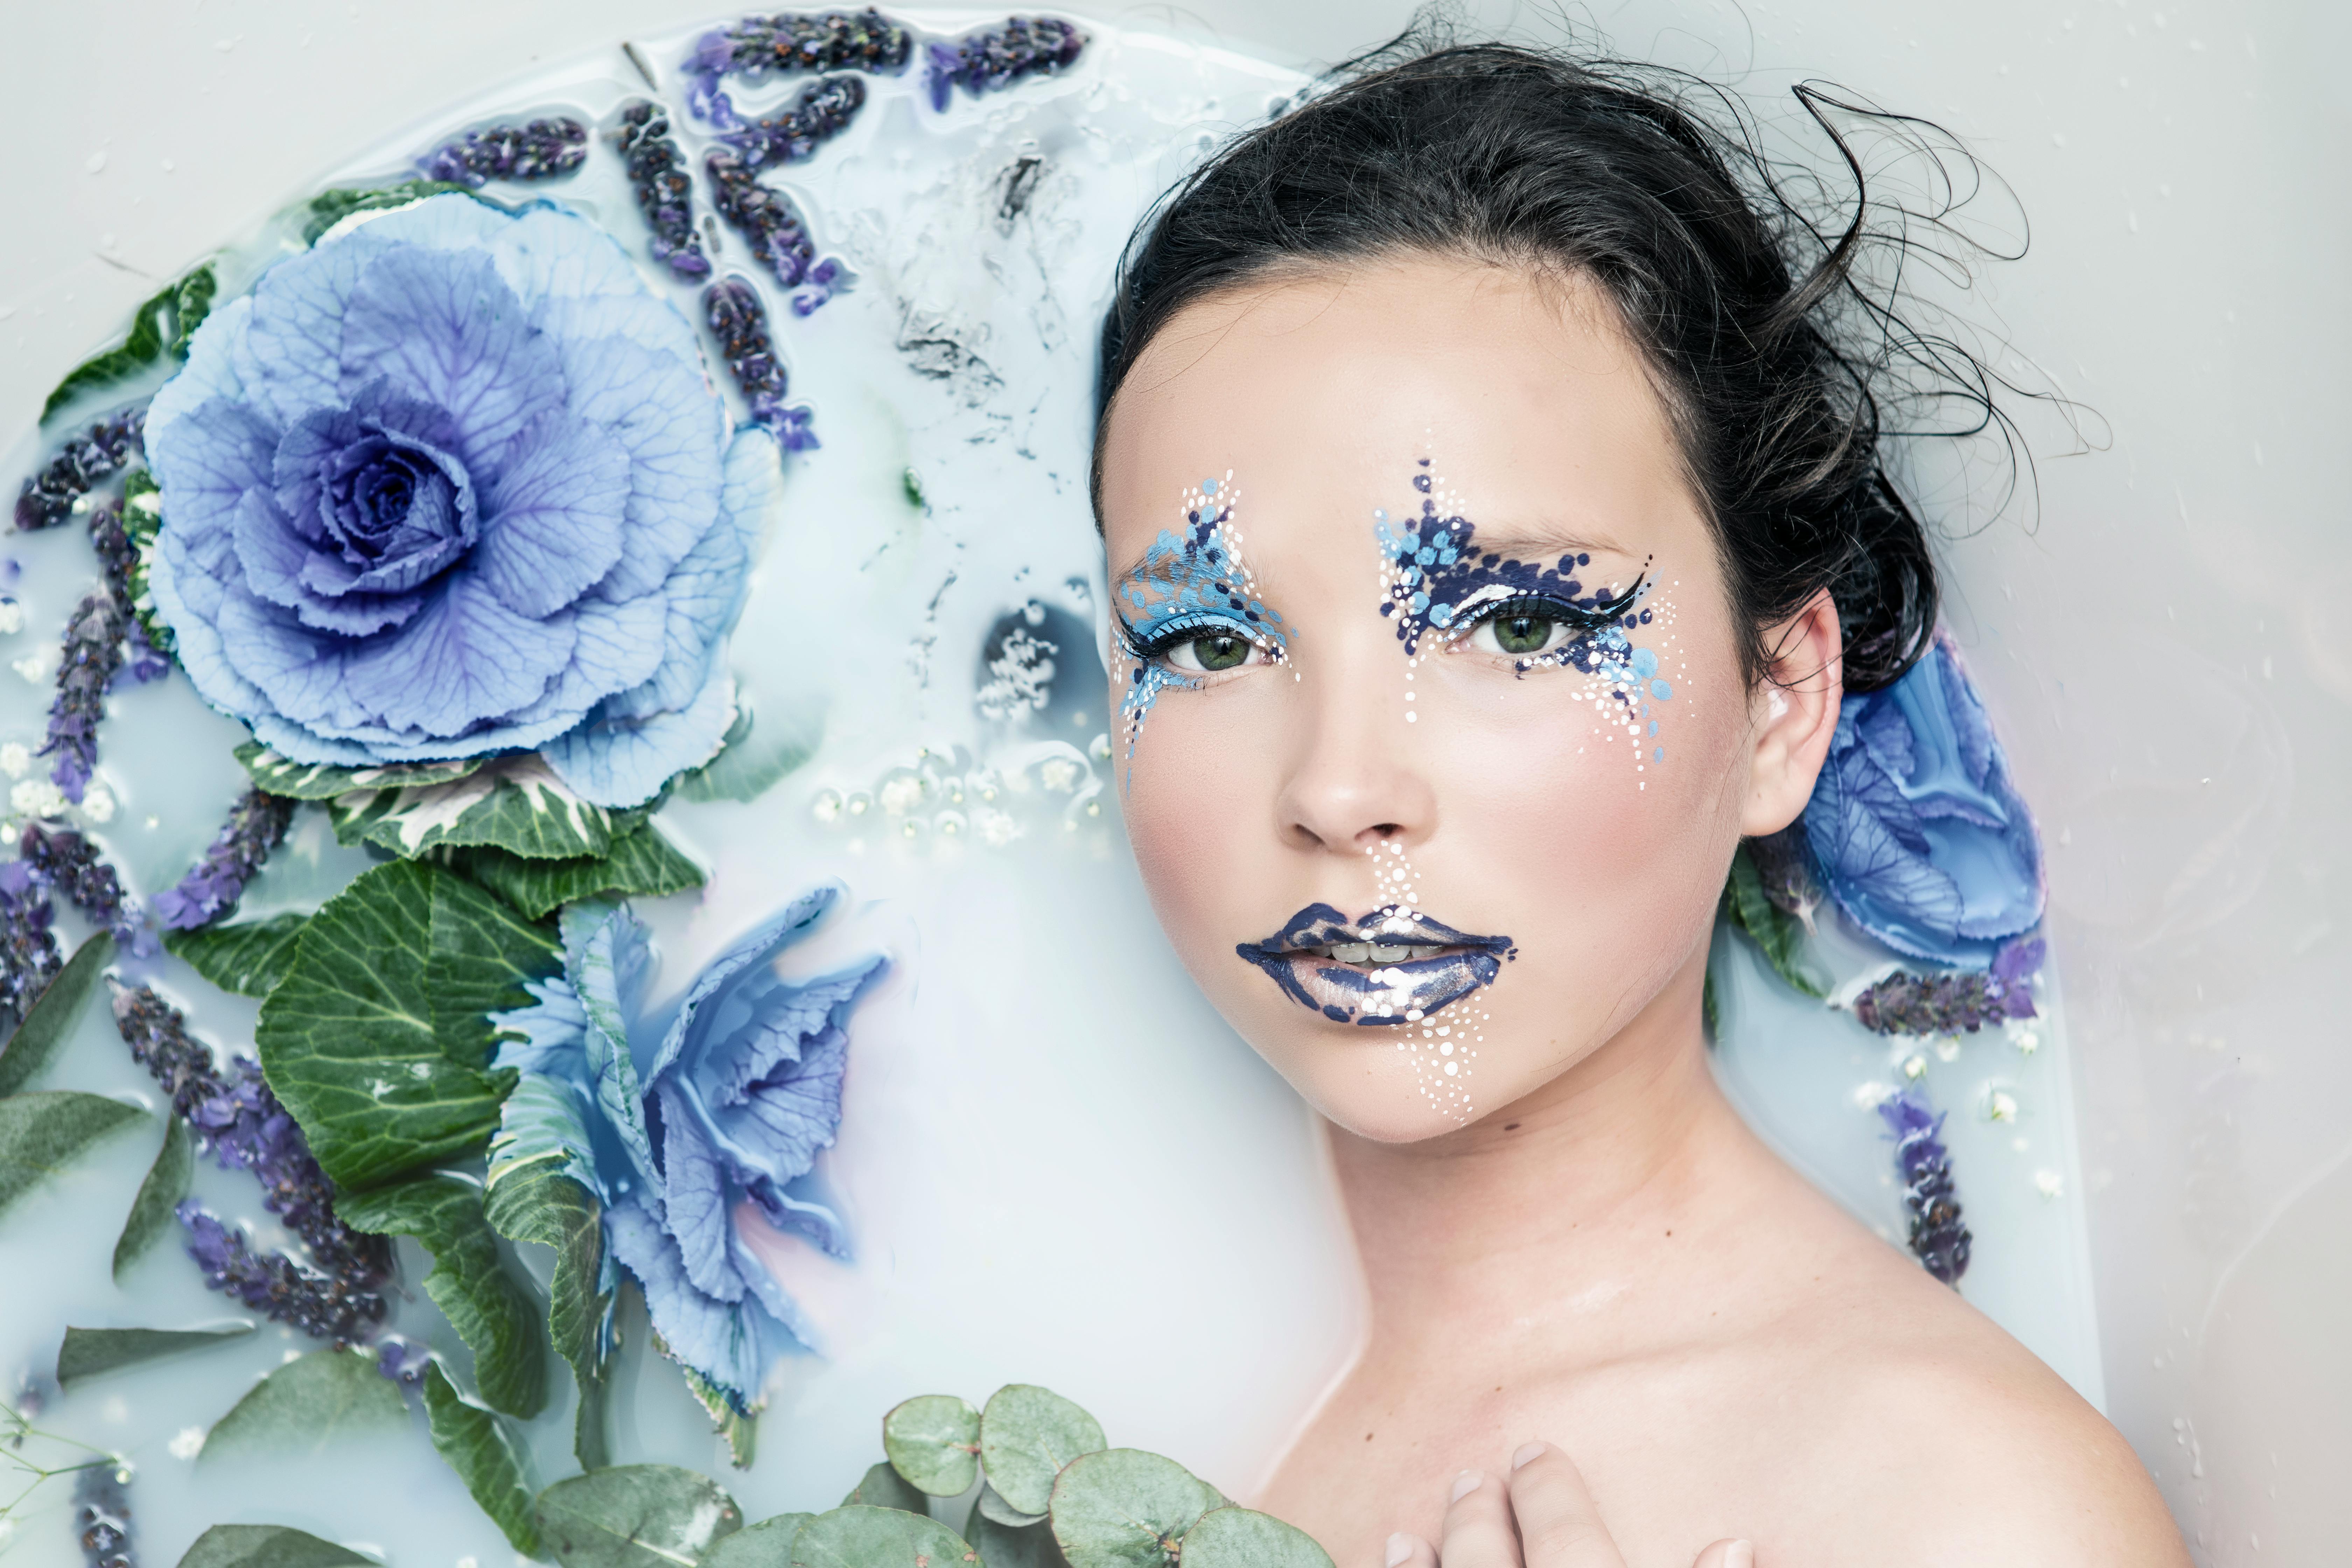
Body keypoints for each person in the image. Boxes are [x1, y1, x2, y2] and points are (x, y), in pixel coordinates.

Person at [1088, 38, 2189, 1567]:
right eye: (1208, 641)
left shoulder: (1963, 1513)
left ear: (1778, 705)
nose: (1340, 788)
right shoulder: (1002, 1287)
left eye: (1519, 625)